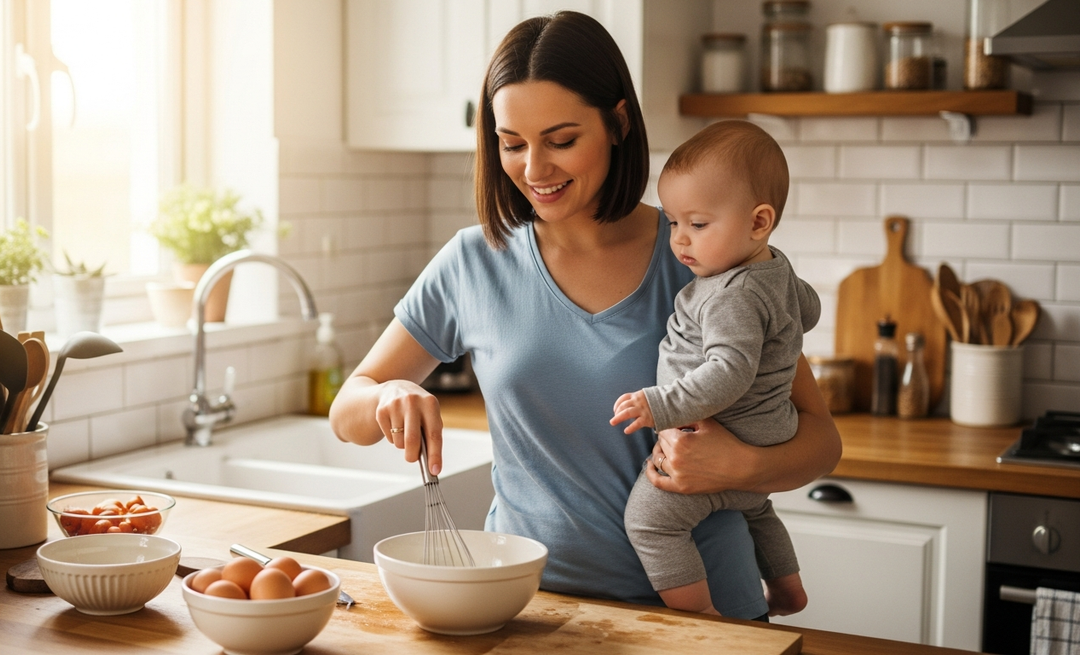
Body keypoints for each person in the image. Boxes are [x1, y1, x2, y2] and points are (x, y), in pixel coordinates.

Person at [328, 11, 841, 620]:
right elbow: (347, 413)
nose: (534, 170)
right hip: (530, 608)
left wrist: (743, 465)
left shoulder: (701, 255)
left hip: (705, 618)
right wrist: (386, 396)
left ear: (618, 123)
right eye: (512, 144)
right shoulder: (473, 262)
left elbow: (820, 440)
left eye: (562, 140)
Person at [610, 120, 818, 616]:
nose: (679, 241)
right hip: (769, 433)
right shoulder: (776, 269)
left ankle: (701, 615)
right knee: (755, 507)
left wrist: (659, 404)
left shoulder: (732, 293)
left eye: (698, 225)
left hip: (727, 435)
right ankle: (789, 590)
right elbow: (807, 311)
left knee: (650, 521)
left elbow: (729, 372)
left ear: (758, 221)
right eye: (673, 221)